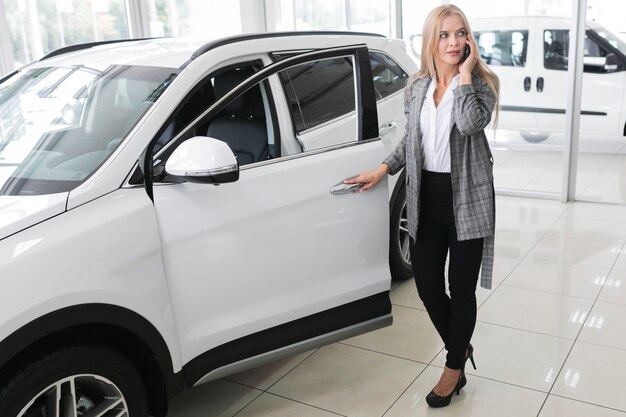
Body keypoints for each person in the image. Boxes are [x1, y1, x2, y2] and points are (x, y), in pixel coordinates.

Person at [345, 4, 499, 408]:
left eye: (460, 33)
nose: (453, 42)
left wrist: (464, 77)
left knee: (460, 290)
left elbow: (468, 125)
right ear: (432, 39)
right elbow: (411, 141)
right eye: (445, 35)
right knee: (429, 286)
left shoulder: (482, 85)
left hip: (468, 198)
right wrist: (382, 169)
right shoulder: (416, 87)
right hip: (426, 199)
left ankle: (451, 369)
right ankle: (460, 347)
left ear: (469, 39)